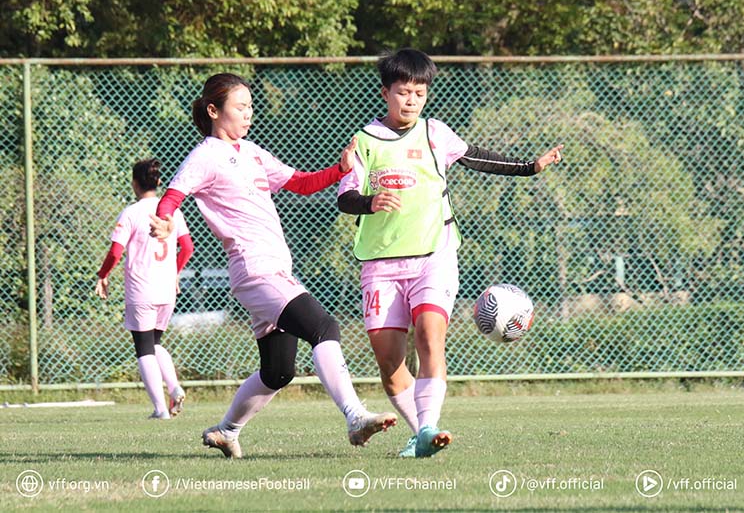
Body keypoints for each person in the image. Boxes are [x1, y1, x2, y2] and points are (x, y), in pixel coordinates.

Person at [149, 72, 397, 459]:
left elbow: (301, 183)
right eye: (240, 106)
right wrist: (164, 219)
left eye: (250, 106)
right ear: (214, 110)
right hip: (254, 269)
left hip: (273, 270)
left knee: (278, 371)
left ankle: (226, 431)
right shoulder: (207, 154)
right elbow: (173, 195)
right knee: (323, 326)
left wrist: (341, 169)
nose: (248, 113)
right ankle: (354, 417)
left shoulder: (252, 152)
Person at [337, 48, 563, 458]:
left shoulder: (435, 133)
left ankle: (427, 428)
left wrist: (530, 167)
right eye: (404, 92)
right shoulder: (364, 141)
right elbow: (346, 196)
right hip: (380, 265)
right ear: (385, 91)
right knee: (390, 369)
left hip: (433, 257)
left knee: (428, 338)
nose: (411, 100)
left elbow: (480, 158)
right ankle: (419, 432)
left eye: (420, 93)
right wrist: (369, 202)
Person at [95, 158, 194, 419]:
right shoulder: (173, 211)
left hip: (142, 290)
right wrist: (175, 272)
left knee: (144, 347)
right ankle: (174, 388)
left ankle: (160, 409)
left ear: (134, 184)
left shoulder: (132, 212)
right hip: (166, 290)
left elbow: (116, 251)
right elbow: (188, 247)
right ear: (159, 182)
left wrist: (103, 275)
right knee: (155, 342)